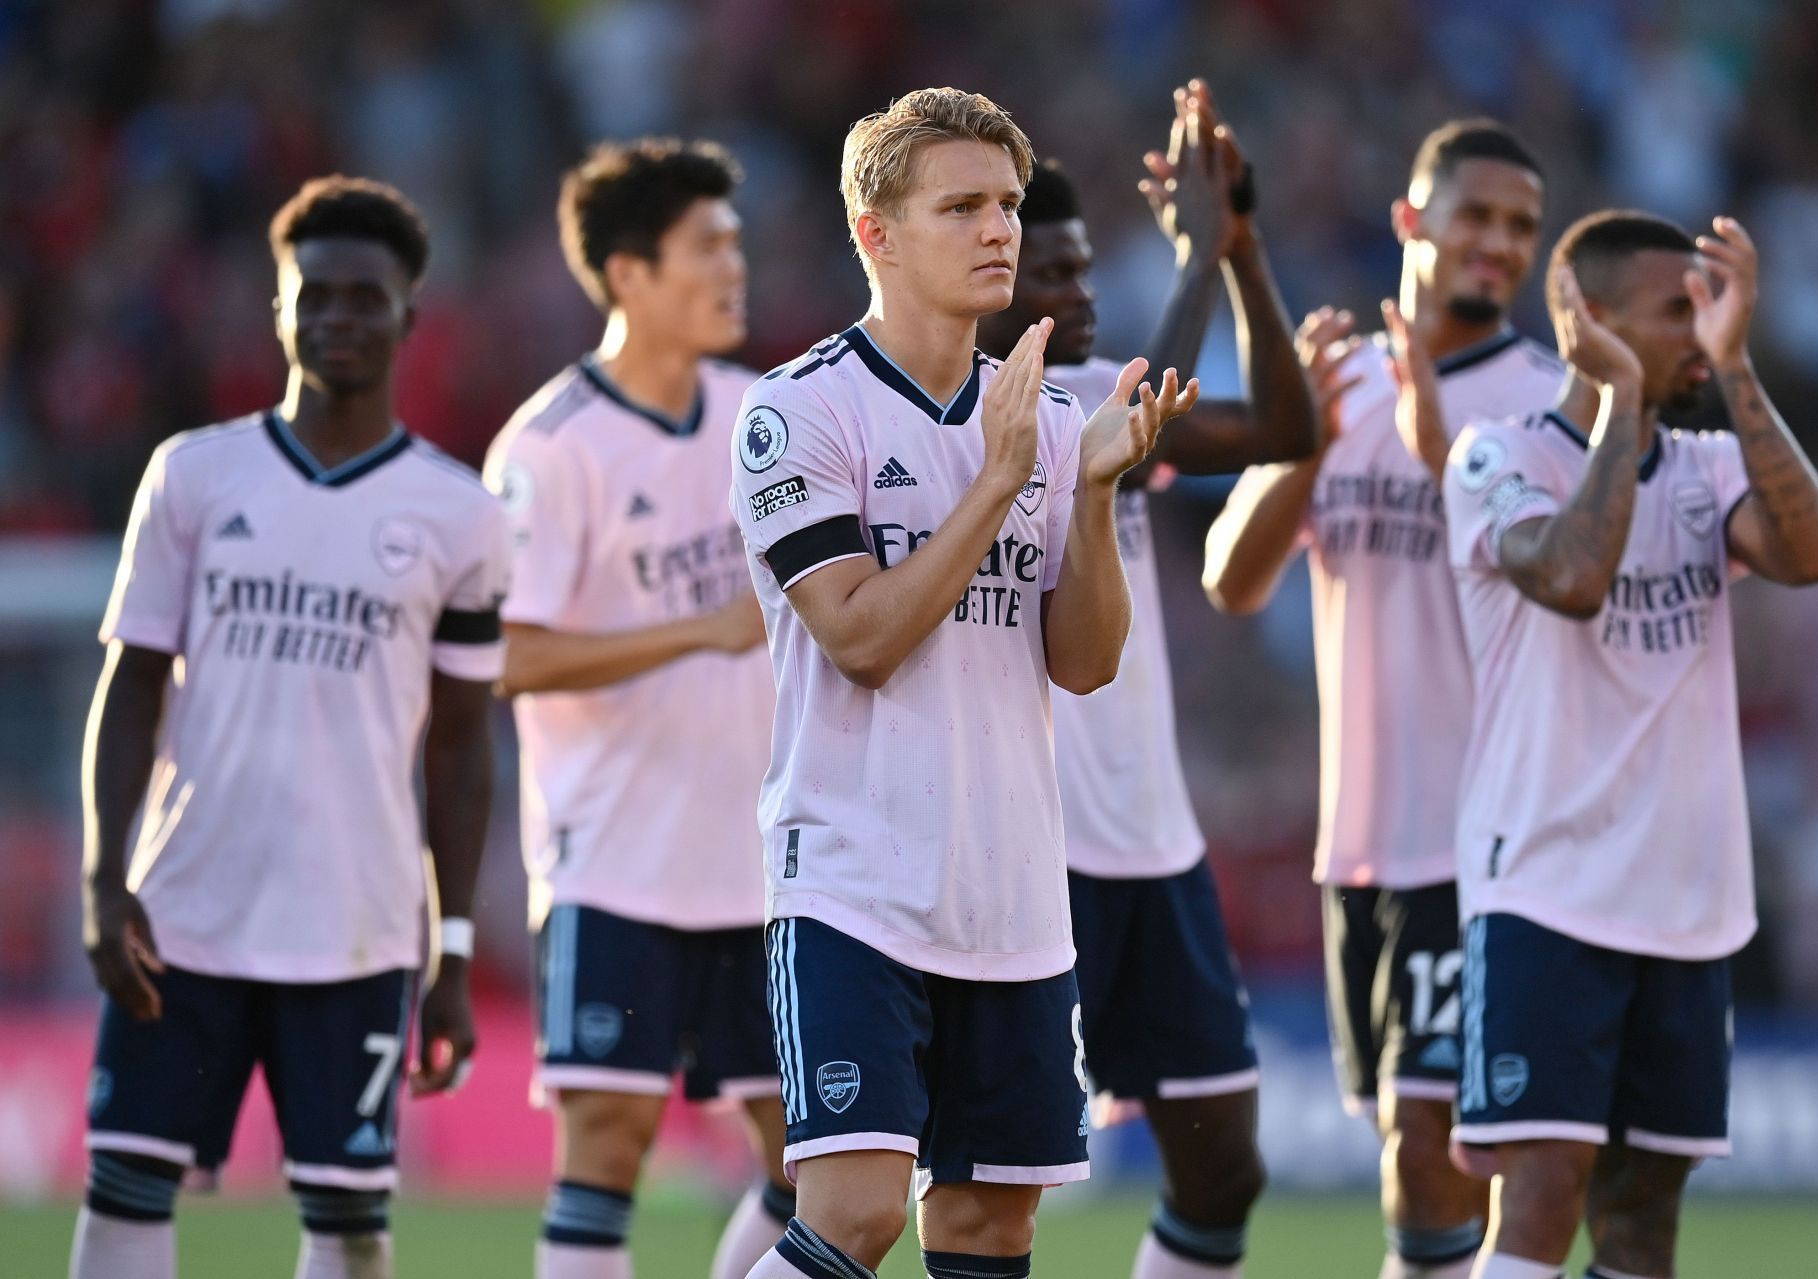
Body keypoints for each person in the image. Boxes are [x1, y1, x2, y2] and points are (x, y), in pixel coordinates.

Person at [728, 87, 1196, 1279]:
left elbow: (1085, 664)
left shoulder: (1046, 421)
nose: (1001, 232)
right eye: (963, 207)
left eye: (1008, 205)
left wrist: (1085, 491)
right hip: (854, 885)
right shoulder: (796, 410)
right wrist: (996, 481)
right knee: (854, 1214)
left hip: (1013, 896)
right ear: (875, 233)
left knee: (991, 1229)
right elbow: (861, 640)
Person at [74, 176, 509, 1279]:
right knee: (124, 1192)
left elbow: (460, 747)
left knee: (351, 1226)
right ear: (279, 310)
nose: (337, 319)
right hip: (184, 914)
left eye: (364, 297)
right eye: (313, 297)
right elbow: (131, 685)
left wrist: (450, 948)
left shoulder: (460, 513)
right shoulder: (193, 474)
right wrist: (101, 876)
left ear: (409, 314)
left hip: (355, 932)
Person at [1442, 211, 1818, 1279]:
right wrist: (1621, 396)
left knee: (1644, 1217)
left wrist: (1739, 359)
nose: (1699, 335)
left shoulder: (1709, 465)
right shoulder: (1495, 456)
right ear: (1586, 320)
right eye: (1679, 312)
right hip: (1546, 889)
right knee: (1540, 1193)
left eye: (1709, 311)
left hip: (1687, 899)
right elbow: (1572, 576)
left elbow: (1811, 551)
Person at [1202, 120, 1563, 1279]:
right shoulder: (1335, 377)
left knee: (1441, 1141)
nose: (1500, 245)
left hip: (1486, 834)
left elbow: (1563, 603)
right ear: (1413, 221)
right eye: (1479, 216)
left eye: (1521, 226)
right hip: (1362, 842)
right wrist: (1305, 443)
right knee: (1411, 1155)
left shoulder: (1551, 407)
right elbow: (1231, 578)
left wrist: (1437, 448)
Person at [976, 80, 1316, 1279]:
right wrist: (1198, 252)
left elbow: (1288, 423)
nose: (1078, 292)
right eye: (1050, 274)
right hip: (1033, 852)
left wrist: (1244, 257)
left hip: (1155, 852)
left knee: (1224, 1169)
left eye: (1081, 269)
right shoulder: (989, 421)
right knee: (983, 1189)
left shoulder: (1101, 389)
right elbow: (1133, 419)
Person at [483, 138, 789, 1279]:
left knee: (813, 1162)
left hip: (762, 862)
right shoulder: (550, 448)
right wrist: (698, 630)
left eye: (736, 241)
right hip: (615, 860)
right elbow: (502, 653)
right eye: (707, 245)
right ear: (628, 272)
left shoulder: (765, 415)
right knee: (606, 1147)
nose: (734, 266)